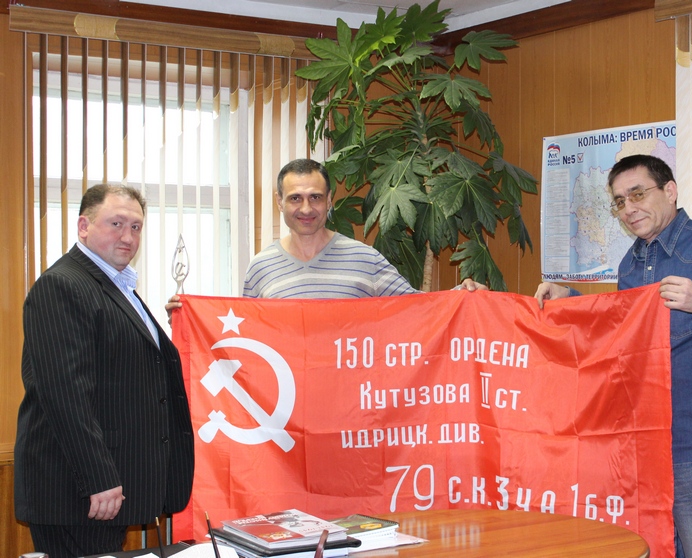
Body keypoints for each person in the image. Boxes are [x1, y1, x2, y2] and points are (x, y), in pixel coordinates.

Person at [535, 154, 692, 558]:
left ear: (670, 191)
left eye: (637, 194)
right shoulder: (630, 263)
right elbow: (620, 330)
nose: (628, 208)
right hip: (645, 439)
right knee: (660, 550)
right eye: (619, 201)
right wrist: (568, 299)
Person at [15, 184, 195, 558]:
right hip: (78, 493)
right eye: (116, 224)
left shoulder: (117, 285)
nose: (128, 237)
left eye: (136, 227)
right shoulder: (63, 285)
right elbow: (65, 395)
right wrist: (98, 478)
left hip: (106, 489)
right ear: (84, 226)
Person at [166, 158, 483, 315]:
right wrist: (187, 318)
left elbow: (419, 309)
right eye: (295, 198)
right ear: (279, 202)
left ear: (330, 200)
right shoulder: (260, 268)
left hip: (351, 407)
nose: (306, 208)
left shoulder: (366, 259)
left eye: (315, 197)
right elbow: (243, 336)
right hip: (286, 408)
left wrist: (464, 295)